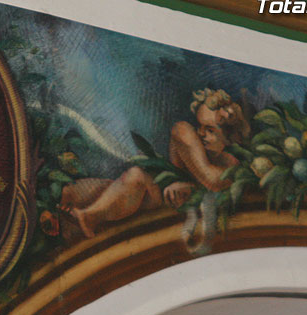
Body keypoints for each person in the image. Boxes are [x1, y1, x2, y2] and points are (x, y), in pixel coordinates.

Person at [60, 88, 250, 238]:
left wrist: (190, 188)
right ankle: (73, 213)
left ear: (229, 136)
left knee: (135, 176)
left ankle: (89, 216)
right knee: (74, 192)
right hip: (155, 188)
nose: (201, 134)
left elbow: (211, 181)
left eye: (210, 130)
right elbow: (196, 175)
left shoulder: (230, 165)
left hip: (158, 197)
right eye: (200, 126)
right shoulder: (188, 140)